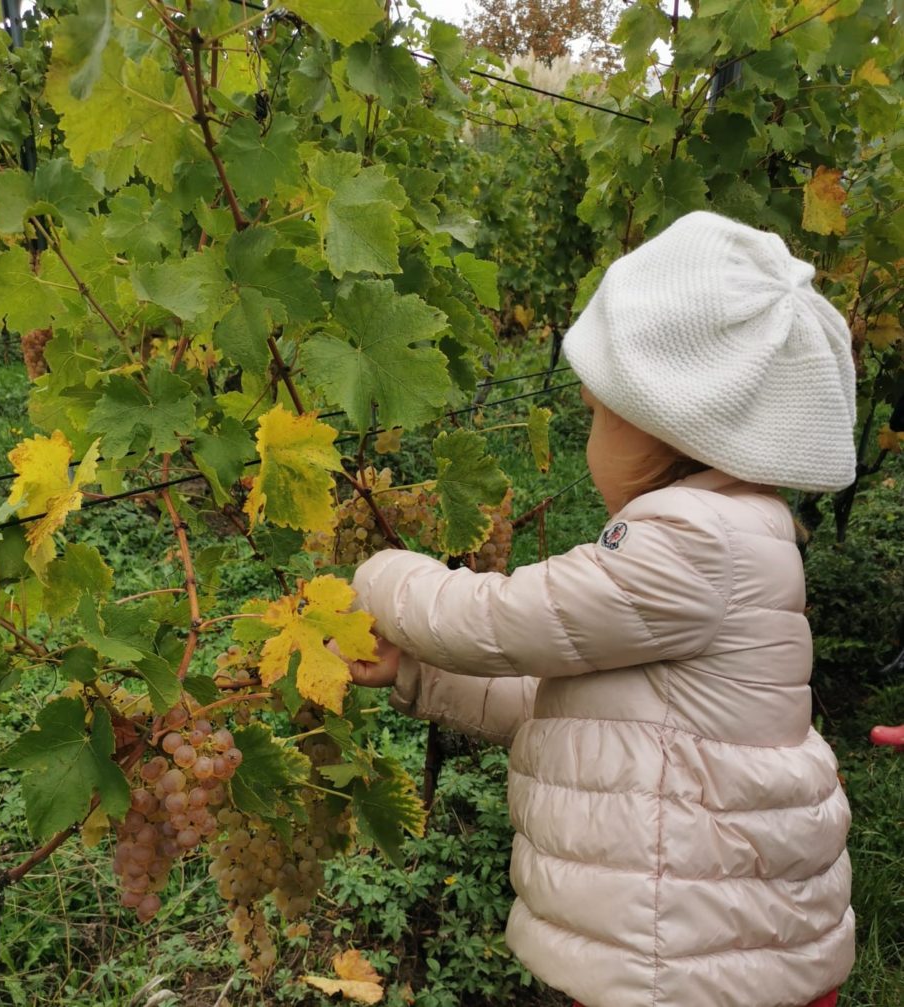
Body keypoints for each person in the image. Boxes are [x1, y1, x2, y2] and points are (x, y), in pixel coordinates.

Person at [344, 212, 857, 1007]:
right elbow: (583, 714)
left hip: (689, 964)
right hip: (706, 946)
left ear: (667, 427)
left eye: (594, 413)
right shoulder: (727, 536)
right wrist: (414, 676)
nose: (587, 440)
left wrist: (378, 576)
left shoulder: (696, 542)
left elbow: (500, 620)